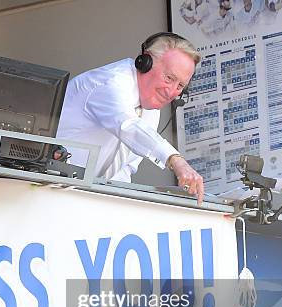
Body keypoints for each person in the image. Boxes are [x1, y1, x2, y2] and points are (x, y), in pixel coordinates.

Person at [56, 33, 205, 203]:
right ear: (145, 63)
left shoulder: (150, 107)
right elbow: (128, 126)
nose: (171, 92)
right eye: (169, 78)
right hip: (47, 189)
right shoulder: (111, 83)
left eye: (180, 86)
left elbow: (124, 169)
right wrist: (175, 160)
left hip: (82, 197)